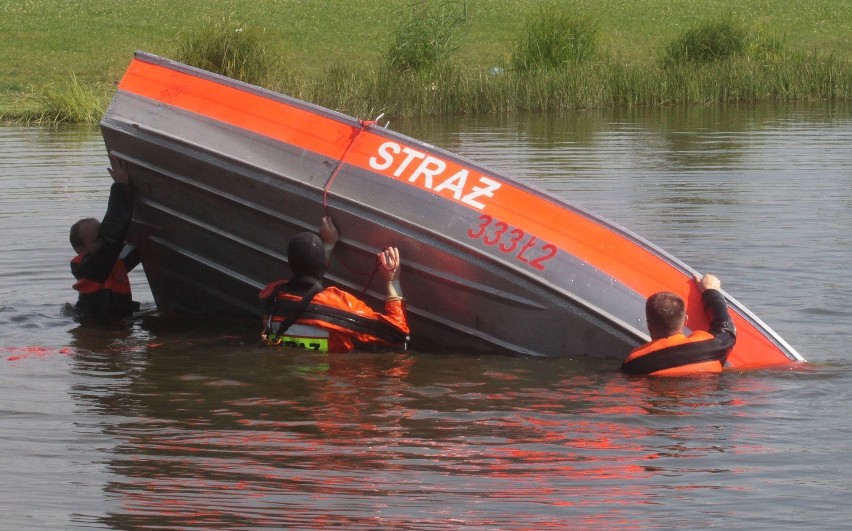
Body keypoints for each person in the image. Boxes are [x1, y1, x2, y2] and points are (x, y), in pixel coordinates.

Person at [259, 216, 410, 353]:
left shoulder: (270, 296)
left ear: (289, 263)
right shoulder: (340, 305)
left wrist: (328, 246)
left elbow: (309, 288)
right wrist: (392, 280)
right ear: (321, 263)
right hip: (332, 380)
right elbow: (398, 334)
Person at [69, 153, 140, 322]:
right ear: (82, 250)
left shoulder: (115, 259)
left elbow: (139, 243)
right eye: (97, 239)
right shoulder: (90, 269)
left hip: (118, 327)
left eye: (102, 234)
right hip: (97, 329)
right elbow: (113, 233)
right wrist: (120, 187)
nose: (104, 239)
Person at [621, 273, 737, 376]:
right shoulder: (713, 346)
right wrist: (711, 291)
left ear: (649, 326)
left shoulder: (634, 363)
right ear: (686, 320)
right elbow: (726, 327)